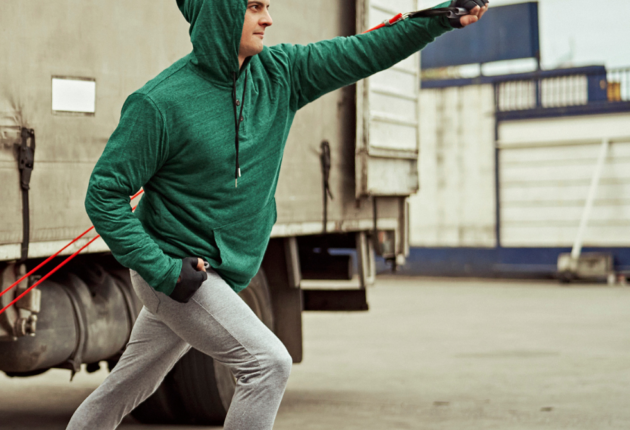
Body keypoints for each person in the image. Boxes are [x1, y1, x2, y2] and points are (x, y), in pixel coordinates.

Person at [69, 0, 486, 429]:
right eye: (253, 7)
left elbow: (364, 50)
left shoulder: (281, 74)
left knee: (127, 385)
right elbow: (104, 195)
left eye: (266, 6)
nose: (267, 19)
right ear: (220, 13)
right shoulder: (159, 103)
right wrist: (164, 270)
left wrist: (439, 20)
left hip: (217, 273)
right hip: (178, 272)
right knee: (268, 365)